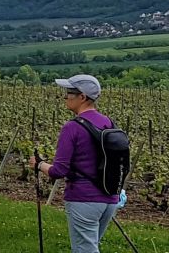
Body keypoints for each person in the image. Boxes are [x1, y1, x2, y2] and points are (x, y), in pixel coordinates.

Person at [32, 74, 127, 253]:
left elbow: (59, 170)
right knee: (91, 246)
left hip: (83, 198)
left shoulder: (73, 127)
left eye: (69, 93)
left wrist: (39, 164)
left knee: (84, 250)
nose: (65, 97)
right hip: (110, 198)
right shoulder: (108, 122)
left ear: (82, 97)